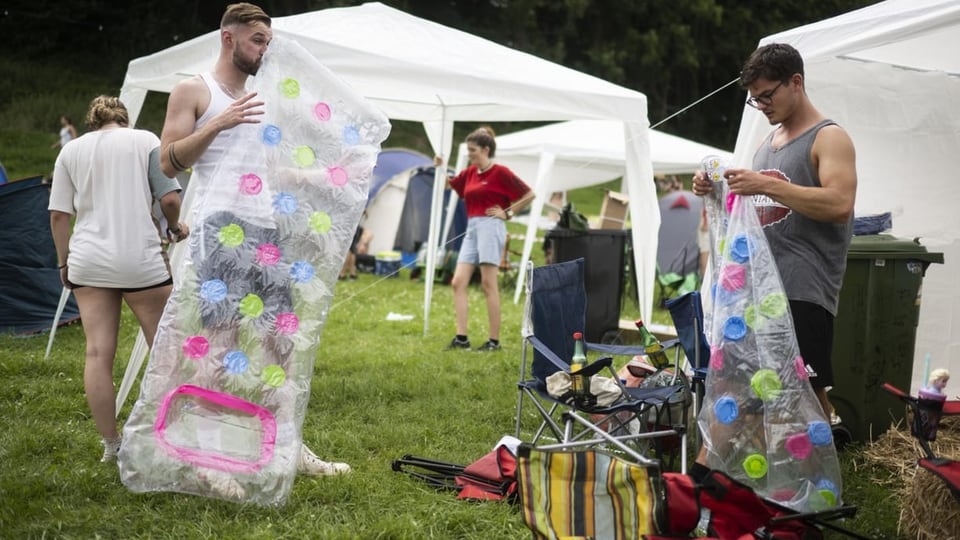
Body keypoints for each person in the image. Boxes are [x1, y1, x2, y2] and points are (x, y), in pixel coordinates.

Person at [158, 2, 349, 477]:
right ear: (229, 37)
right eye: (257, 39)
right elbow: (167, 162)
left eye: (267, 41)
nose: (264, 49)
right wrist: (218, 122)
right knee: (219, 343)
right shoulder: (193, 90)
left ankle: (287, 447)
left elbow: (265, 169)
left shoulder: (265, 98)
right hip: (220, 227)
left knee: (278, 342)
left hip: (266, 233)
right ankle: (208, 458)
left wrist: (325, 176)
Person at [692, 43, 857, 455]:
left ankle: (813, 476)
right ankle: (711, 479)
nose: (761, 105)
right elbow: (756, 204)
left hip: (803, 288)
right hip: (760, 290)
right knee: (745, 385)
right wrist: (716, 188)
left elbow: (839, 204)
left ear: (796, 82)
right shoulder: (770, 141)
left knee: (800, 391)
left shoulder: (829, 137)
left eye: (768, 95)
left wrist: (765, 184)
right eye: (755, 98)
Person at [49, 95, 188, 463]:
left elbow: (59, 216)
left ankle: (111, 445)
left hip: (87, 261)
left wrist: (64, 264)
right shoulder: (146, 141)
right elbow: (171, 200)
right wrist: (174, 228)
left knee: (97, 353)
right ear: (124, 120)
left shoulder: (71, 151)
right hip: (139, 260)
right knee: (165, 349)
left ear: (94, 122)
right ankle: (171, 432)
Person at [437, 127, 535, 352]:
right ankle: (462, 339)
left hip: (491, 227)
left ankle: (494, 342)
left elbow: (529, 194)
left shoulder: (500, 172)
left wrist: (508, 213)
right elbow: (449, 185)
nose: (469, 154)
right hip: (472, 227)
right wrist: (441, 166)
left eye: (472, 150)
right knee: (458, 282)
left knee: (488, 284)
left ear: (485, 149)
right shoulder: (470, 172)